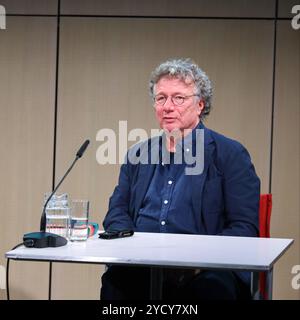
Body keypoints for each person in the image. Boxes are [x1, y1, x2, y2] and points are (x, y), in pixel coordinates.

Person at [100, 58, 260, 300]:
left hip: (205, 269)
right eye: (161, 98)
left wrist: (196, 259)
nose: (168, 106)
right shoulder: (138, 154)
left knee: (210, 290)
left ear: (200, 105)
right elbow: (117, 212)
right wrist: (131, 249)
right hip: (143, 264)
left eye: (179, 98)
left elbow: (244, 228)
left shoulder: (230, 154)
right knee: (116, 280)